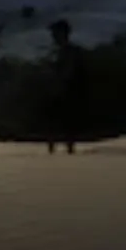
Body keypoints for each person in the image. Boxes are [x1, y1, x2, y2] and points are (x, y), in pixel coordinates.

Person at [47, 20, 90, 155]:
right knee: (57, 120)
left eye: (55, 33)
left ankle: (65, 146)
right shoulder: (56, 51)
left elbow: (68, 71)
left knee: (65, 120)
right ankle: (55, 146)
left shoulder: (69, 51)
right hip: (60, 90)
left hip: (67, 90)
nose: (53, 36)